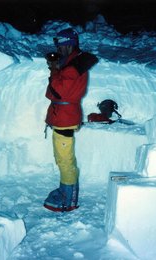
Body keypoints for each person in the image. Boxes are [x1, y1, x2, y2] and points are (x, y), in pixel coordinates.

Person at [44, 28, 98, 212]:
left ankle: (69, 199)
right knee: (63, 158)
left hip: (65, 118)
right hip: (63, 116)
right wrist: (57, 67)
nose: (57, 50)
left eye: (60, 46)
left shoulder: (74, 66)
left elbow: (56, 91)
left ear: (68, 45)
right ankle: (66, 190)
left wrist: (53, 69)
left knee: (65, 160)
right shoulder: (72, 63)